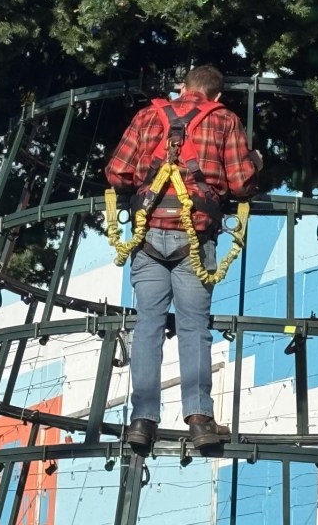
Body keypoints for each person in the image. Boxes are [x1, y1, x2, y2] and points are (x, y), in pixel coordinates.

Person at [105, 64, 260, 456]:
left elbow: (117, 172)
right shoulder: (224, 120)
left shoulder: (148, 116)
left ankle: (142, 420)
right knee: (194, 329)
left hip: (146, 235)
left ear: (183, 88)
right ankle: (200, 420)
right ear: (217, 95)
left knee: (148, 328)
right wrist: (256, 162)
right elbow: (241, 183)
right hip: (195, 237)